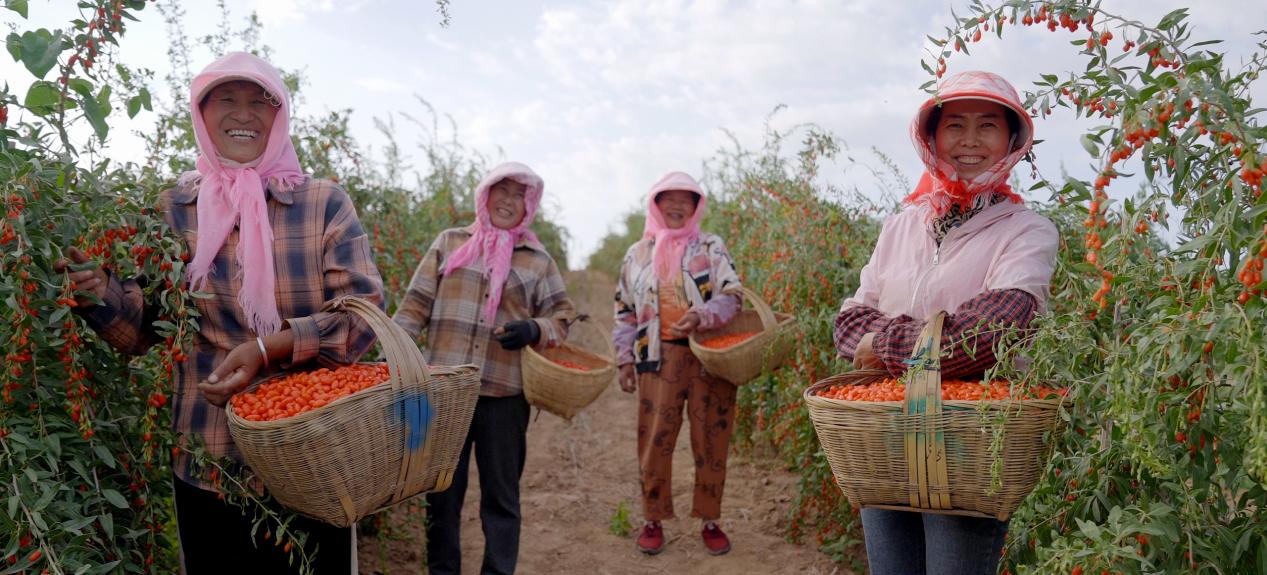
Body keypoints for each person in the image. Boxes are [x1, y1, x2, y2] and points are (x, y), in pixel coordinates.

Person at [55, 52, 384, 574]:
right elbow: (144, 331)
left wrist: (267, 348)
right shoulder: (172, 209)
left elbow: (363, 318)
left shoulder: (322, 203)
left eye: (261, 102)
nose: (243, 114)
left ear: (281, 118)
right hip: (208, 452)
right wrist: (101, 294)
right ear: (201, 114)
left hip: (314, 449)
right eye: (225, 99)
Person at [832, 70, 1059, 574]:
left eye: (988, 127)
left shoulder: (1027, 232)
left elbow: (989, 334)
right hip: (886, 435)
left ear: (1011, 140)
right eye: (955, 125)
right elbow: (847, 322)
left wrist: (882, 343)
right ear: (931, 137)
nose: (970, 142)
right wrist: (916, 340)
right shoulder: (901, 226)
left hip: (968, 441)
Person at [392, 161, 575, 575]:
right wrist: (394, 361)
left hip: (504, 396)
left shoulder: (537, 260)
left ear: (529, 206)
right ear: (485, 194)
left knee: (501, 498)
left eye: (519, 195)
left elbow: (562, 319)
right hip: (443, 393)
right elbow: (413, 308)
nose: (508, 201)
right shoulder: (450, 242)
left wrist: (533, 328)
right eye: (502, 191)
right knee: (441, 494)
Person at [612, 171, 744, 556]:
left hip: (710, 357)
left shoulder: (711, 246)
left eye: (684, 200)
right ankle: (653, 518)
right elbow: (624, 310)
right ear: (655, 205)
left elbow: (734, 296)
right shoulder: (637, 254)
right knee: (655, 441)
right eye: (666, 199)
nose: (675, 206)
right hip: (658, 357)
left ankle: (710, 519)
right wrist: (624, 360)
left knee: (711, 439)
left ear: (696, 206)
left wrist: (702, 316)